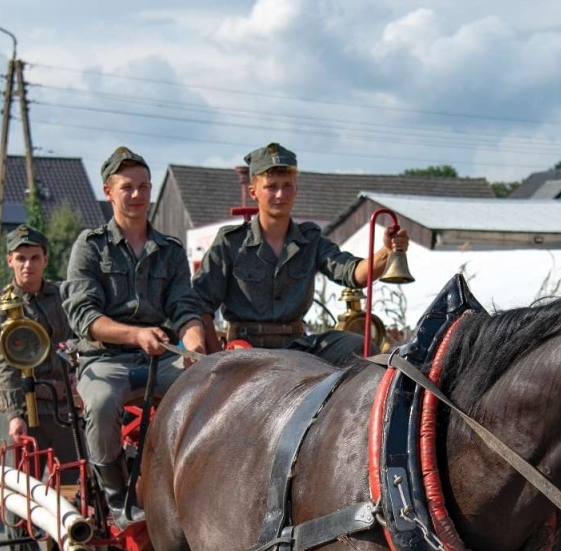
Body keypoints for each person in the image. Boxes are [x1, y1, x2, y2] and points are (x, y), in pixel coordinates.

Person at [64, 147, 195, 524]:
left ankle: (190, 485)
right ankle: (117, 495)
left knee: (207, 391)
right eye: (127, 187)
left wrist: (194, 345)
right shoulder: (89, 246)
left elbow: (185, 307)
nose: (137, 194)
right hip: (104, 359)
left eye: (144, 186)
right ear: (109, 192)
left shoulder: (170, 250)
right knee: (101, 403)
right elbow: (85, 317)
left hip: (160, 357)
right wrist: (136, 335)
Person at [179, 142, 409, 354]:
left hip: (297, 347)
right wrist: (215, 356)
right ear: (253, 192)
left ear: (296, 188)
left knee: (359, 346)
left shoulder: (310, 240)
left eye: (287, 186)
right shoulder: (231, 242)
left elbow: (352, 273)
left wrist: (387, 252)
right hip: (246, 350)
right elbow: (200, 303)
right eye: (271, 187)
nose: (280, 194)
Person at [0, 224, 80, 471]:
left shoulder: (63, 296)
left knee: (76, 484)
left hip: (64, 409)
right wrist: (14, 414)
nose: (28, 265)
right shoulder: (2, 307)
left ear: (45, 260)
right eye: (21, 258)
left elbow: (83, 338)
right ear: (9, 261)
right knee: (22, 488)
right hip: (24, 410)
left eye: (35, 258)